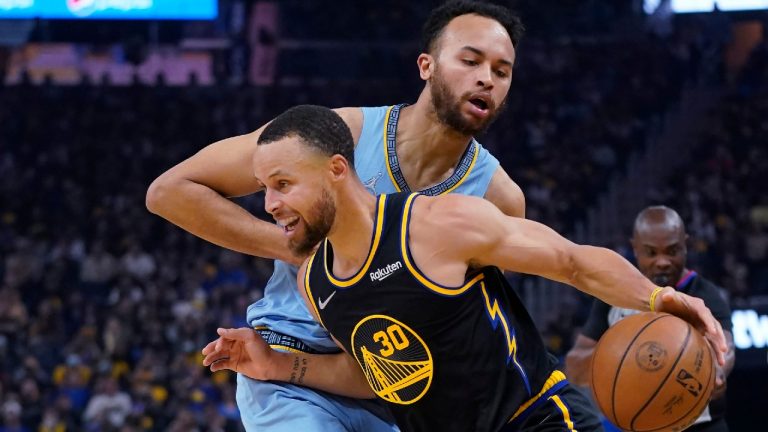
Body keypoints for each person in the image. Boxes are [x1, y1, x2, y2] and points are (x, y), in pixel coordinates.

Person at [201, 105, 728, 432]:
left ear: (338, 170)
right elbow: (382, 375)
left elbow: (572, 261)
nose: (268, 203)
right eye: (265, 187)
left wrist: (658, 299)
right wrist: (277, 366)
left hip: (534, 420)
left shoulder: (437, 223)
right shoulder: (314, 283)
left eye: (283, 183)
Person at [147, 2, 538, 430]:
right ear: (426, 66)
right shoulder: (341, 133)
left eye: (502, 71)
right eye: (470, 60)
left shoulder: (500, 200)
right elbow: (171, 192)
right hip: (290, 365)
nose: (486, 78)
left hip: (400, 393)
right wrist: (303, 253)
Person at [565, 206, 735, 432]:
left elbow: (726, 347)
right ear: (635, 249)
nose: (663, 262)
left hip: (701, 426)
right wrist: (622, 356)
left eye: (672, 251)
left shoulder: (703, 295)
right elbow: (574, 367)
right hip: (641, 423)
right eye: (652, 253)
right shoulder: (613, 296)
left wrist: (716, 371)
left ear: (685, 246)